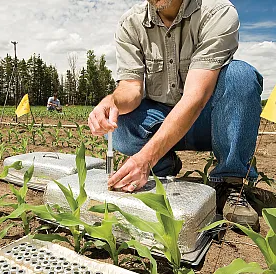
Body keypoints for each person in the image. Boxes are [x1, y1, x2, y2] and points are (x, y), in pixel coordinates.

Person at [88, 0, 263, 230]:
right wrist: (110, 102)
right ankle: (162, 167)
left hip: (209, 121)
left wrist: (144, 158)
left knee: (241, 77)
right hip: (160, 119)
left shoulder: (217, 12)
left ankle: (231, 182)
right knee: (119, 120)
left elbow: (196, 97)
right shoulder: (131, 23)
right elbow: (130, 88)